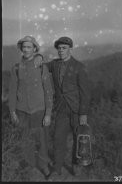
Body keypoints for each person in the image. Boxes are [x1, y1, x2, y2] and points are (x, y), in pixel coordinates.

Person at [34, 36, 91, 180]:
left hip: (77, 110)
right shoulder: (54, 64)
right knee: (58, 139)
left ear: (70, 49)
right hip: (60, 110)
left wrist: (83, 113)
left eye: (64, 48)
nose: (61, 51)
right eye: (59, 48)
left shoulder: (79, 67)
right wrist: (39, 56)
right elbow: (41, 66)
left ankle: (76, 164)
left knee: (79, 139)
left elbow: (85, 92)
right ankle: (57, 168)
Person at [8, 35, 53, 179]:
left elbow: (48, 91)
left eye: (29, 47)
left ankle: (44, 165)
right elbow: (12, 91)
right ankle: (29, 165)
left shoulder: (41, 66)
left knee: (42, 140)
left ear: (35, 49)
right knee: (25, 140)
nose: (26, 50)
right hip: (22, 112)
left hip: (39, 111)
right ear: (21, 49)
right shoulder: (16, 68)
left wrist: (48, 113)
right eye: (24, 47)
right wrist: (12, 111)